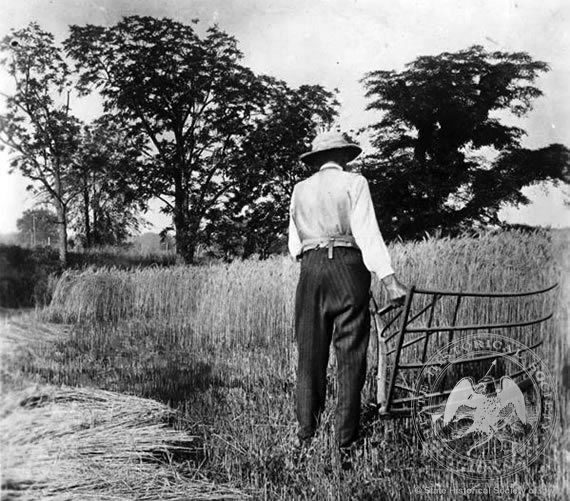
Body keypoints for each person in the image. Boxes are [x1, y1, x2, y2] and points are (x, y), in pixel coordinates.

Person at [288, 129, 408, 462]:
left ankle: (305, 435)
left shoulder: (300, 190)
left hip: (310, 269)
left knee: (309, 355)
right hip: (347, 265)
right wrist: (390, 280)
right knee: (350, 355)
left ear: (315, 160)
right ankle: (344, 440)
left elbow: (293, 245)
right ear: (344, 157)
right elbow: (367, 232)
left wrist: (315, 260)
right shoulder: (355, 183)